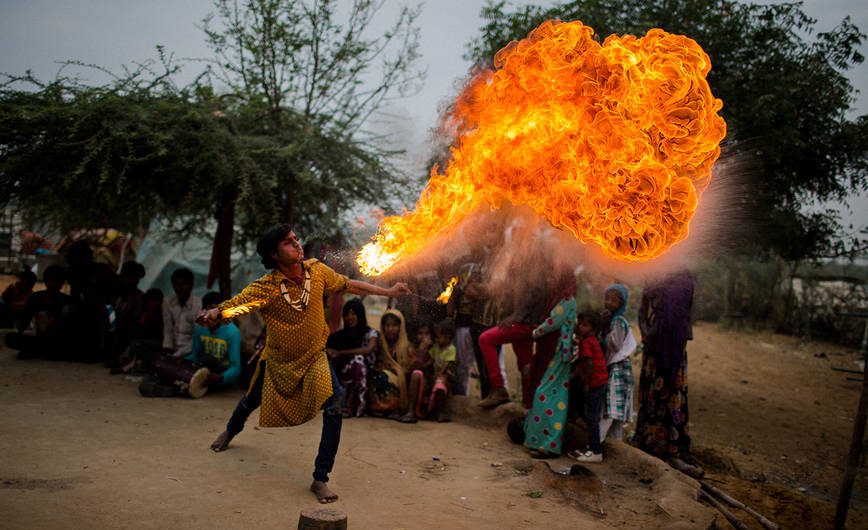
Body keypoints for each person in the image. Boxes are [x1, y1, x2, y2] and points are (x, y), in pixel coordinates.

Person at [201, 224, 411, 504]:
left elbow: (350, 284)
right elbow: (239, 305)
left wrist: (389, 292)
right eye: (288, 242)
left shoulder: (318, 271)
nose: (297, 244)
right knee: (251, 399)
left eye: (296, 239)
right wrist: (217, 312)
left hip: (315, 358)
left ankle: (320, 477)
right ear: (274, 255)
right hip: (278, 361)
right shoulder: (266, 287)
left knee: (335, 403)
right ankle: (231, 429)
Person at [633, 271, 694, 460]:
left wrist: (652, 333)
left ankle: (669, 445)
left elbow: (677, 318)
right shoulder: (655, 275)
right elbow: (642, 309)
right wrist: (647, 333)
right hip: (653, 346)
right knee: (653, 392)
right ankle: (649, 439)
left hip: (672, 348)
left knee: (669, 393)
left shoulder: (682, 281)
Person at [523, 283, 577, 458]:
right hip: (557, 351)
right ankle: (539, 441)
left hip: (559, 351)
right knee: (553, 395)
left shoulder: (567, 300)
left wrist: (536, 332)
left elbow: (554, 321)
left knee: (545, 394)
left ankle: (549, 444)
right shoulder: (560, 298)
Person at [4, 265, 73, 360]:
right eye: (51, 281)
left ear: (61, 283)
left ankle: (39, 352)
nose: (53, 284)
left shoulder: (68, 302)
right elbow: (23, 323)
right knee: (10, 338)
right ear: (45, 281)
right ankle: (44, 353)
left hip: (59, 342)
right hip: (41, 341)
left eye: (56, 281)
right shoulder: (35, 299)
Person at [326, 298, 379, 417]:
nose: (349, 317)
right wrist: (332, 353)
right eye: (346, 314)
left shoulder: (370, 333)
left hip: (367, 375)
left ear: (360, 315)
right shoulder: (338, 336)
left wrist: (342, 353)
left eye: (353, 313)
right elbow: (328, 349)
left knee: (358, 362)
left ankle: (353, 405)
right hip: (342, 376)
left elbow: (368, 349)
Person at [599, 284, 637, 443]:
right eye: (607, 299)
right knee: (614, 411)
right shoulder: (615, 320)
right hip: (617, 368)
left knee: (611, 409)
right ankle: (615, 445)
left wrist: (604, 330)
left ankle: (596, 444)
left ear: (621, 303)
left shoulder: (618, 321)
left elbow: (614, 345)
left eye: (613, 300)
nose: (608, 302)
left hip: (618, 369)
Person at [570, 311, 609, 463]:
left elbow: (588, 364)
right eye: (579, 323)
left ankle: (596, 451)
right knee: (591, 416)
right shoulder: (590, 340)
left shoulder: (586, 342)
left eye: (584, 325)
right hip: (600, 381)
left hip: (595, 382)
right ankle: (591, 446)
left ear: (593, 329)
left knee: (592, 417)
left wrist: (585, 383)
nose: (580, 326)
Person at [401, 319, 456, 423]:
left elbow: (448, 365)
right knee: (416, 374)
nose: (424, 337)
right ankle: (410, 412)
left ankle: (440, 413)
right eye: (420, 333)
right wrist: (421, 350)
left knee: (439, 383)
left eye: (427, 333)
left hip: (435, 381)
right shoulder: (412, 348)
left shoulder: (439, 347)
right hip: (419, 383)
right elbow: (414, 367)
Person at [186, 291, 242, 389]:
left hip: (222, 374)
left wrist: (221, 377)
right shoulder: (200, 328)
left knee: (208, 360)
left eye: (214, 310)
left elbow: (236, 367)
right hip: (206, 369)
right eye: (207, 310)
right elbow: (195, 355)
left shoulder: (233, 332)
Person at [369, 309, 409, 417]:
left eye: (394, 325)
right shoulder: (380, 343)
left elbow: (407, 368)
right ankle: (379, 408)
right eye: (387, 325)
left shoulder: (405, 346)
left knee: (388, 376)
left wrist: (395, 370)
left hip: (399, 379)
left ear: (400, 327)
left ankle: (395, 409)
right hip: (382, 375)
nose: (390, 329)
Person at [162, 268, 202, 359]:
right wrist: (167, 348)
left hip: (190, 350)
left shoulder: (198, 305)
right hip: (173, 349)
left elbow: (196, 337)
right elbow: (168, 330)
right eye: (176, 285)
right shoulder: (168, 302)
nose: (179, 288)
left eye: (183, 285)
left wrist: (178, 354)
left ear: (191, 285)